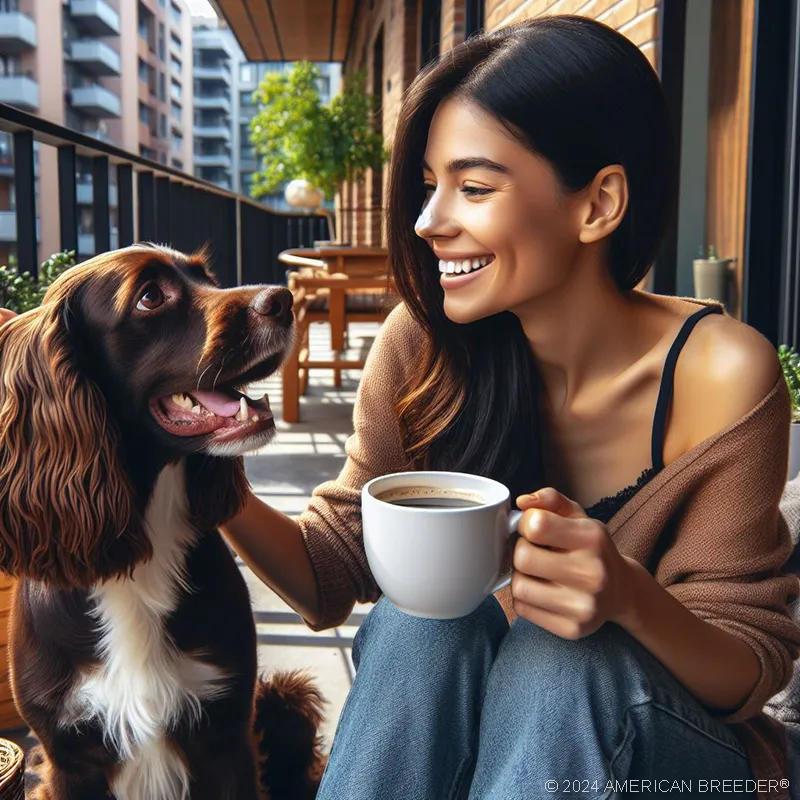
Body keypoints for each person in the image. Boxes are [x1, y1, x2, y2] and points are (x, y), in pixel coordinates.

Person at [3, 16, 798, 799]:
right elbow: (329, 576)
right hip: (506, 729)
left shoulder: (722, 371)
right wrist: (204, 447)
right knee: (422, 625)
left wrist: (627, 597)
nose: (427, 223)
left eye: (474, 187)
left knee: (565, 654)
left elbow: (747, 675)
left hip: (682, 762)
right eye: (428, 186)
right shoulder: (425, 344)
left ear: (598, 204)